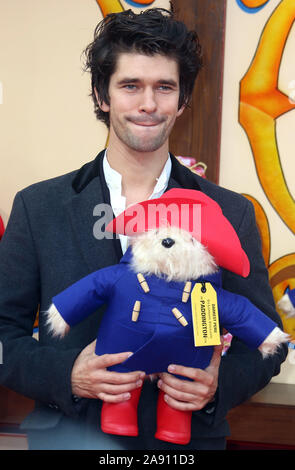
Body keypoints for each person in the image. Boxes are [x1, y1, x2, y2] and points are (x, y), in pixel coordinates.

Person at [0, 8, 287, 451]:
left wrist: (216, 384)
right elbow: (5, 332)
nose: (148, 104)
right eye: (130, 86)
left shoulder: (230, 211)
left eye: (164, 87)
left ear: (183, 100)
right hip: (70, 437)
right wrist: (67, 375)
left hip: (186, 445)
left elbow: (266, 344)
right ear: (102, 95)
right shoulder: (39, 206)